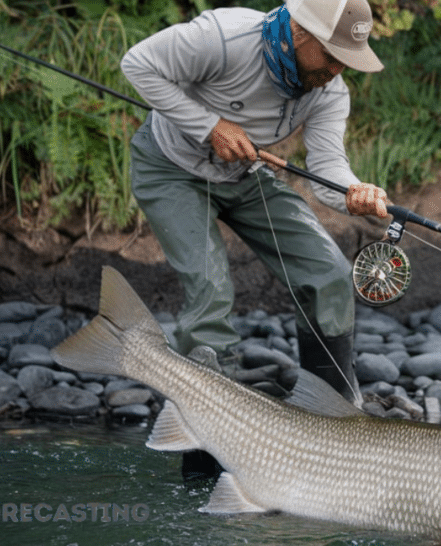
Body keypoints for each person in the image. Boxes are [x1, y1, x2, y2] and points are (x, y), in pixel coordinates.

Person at [121, 0, 388, 406]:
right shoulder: (222, 38)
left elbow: (329, 168)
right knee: (210, 292)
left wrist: (356, 193)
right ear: (300, 33)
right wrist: (211, 126)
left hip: (243, 176)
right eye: (333, 57)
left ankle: (333, 417)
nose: (338, 70)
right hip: (169, 167)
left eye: (347, 61)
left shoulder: (329, 92)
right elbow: (137, 63)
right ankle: (203, 455)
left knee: (330, 273)